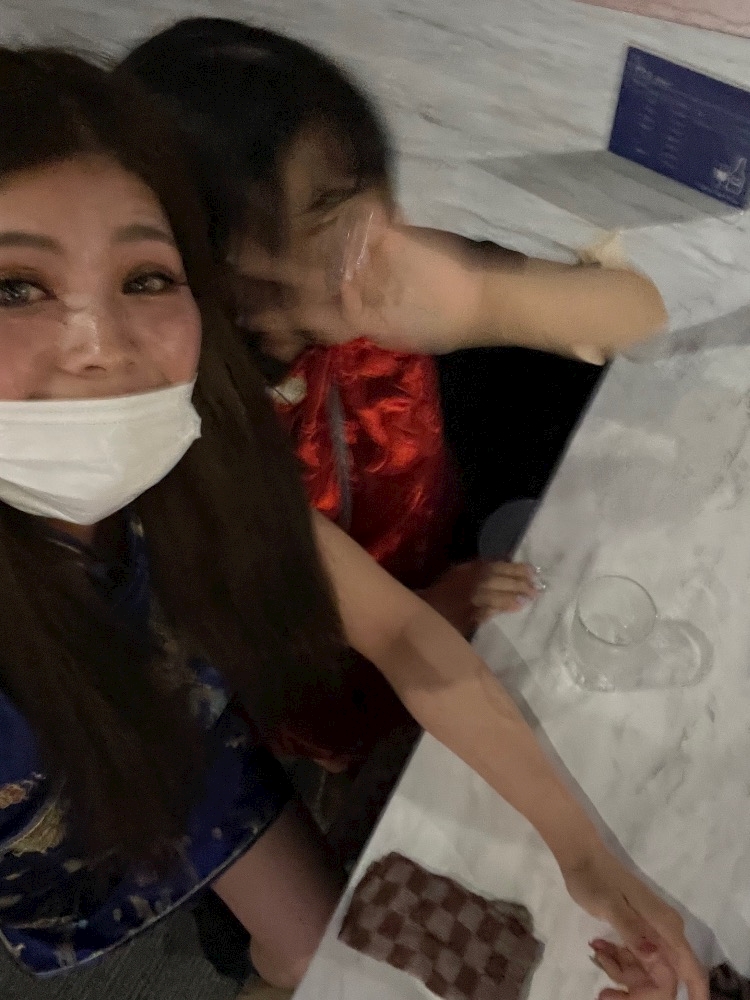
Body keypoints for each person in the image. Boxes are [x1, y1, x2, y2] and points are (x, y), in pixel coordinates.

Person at [0, 44, 704, 1000]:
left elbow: (401, 631)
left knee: (308, 951)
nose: (102, 348)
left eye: (145, 277)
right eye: (16, 287)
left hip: (200, 748)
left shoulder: (199, 456)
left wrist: (587, 857)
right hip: (58, 831)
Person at [120, 20, 667, 776]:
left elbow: (636, 313)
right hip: (343, 672)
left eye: (366, 181)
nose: (374, 222)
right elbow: (276, 624)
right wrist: (439, 609)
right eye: (327, 206)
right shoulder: (194, 428)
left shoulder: (375, 298)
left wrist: (481, 298)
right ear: (222, 259)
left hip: (441, 565)